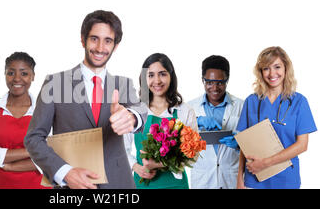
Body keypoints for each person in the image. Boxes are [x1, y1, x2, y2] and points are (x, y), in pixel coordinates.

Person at [24, 10, 147, 189]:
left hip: (119, 184)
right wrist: (64, 172)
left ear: (116, 45)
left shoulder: (123, 84)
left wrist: (131, 116)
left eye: (108, 41)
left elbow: (140, 109)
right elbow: (33, 138)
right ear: (83, 39)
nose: (99, 48)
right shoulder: (55, 84)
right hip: (72, 184)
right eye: (94, 38)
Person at [236, 46, 317, 189]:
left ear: (286, 68)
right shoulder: (252, 101)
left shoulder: (299, 102)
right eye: (266, 68)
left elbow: (302, 145)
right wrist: (239, 180)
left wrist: (266, 163)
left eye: (277, 67)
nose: (272, 73)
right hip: (254, 179)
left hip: (286, 180)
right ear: (260, 72)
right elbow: (244, 144)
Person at [124, 53, 197, 189]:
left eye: (162, 74)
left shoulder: (185, 111)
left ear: (171, 76)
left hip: (176, 185)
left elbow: (193, 154)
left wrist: (159, 164)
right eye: (151, 75)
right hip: (143, 183)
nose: (157, 81)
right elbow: (121, 148)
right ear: (143, 78)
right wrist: (136, 167)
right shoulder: (134, 111)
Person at [0, 52, 50, 189]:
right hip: (1, 184)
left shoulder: (45, 109)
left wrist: (9, 166)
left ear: (33, 76)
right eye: (11, 73)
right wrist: (29, 151)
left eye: (24, 73)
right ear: (4, 75)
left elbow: (51, 156)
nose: (17, 79)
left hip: (37, 185)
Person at [187, 55, 244, 189]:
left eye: (220, 82)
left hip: (231, 179)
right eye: (209, 82)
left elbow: (253, 144)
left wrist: (239, 145)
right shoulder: (190, 108)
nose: (214, 87)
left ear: (227, 80)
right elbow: (177, 138)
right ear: (203, 80)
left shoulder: (242, 106)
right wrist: (197, 122)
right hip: (202, 180)